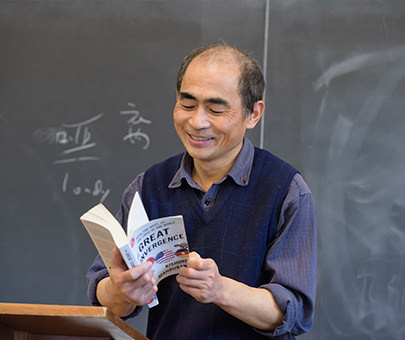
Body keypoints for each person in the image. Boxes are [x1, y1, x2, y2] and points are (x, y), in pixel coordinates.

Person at [87, 43, 317, 340]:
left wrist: (220, 289)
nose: (197, 122)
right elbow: (103, 293)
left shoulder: (286, 191)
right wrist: (122, 289)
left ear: (253, 114)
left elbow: (293, 312)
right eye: (187, 104)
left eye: (216, 109)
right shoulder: (149, 187)